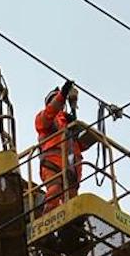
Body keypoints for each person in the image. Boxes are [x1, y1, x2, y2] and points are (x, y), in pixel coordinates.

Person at [35, 79, 95, 212]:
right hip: (52, 165)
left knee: (73, 204)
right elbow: (50, 111)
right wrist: (63, 93)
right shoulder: (43, 119)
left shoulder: (68, 124)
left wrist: (91, 134)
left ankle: (72, 229)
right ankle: (47, 222)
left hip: (71, 169)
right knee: (54, 192)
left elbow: (81, 145)